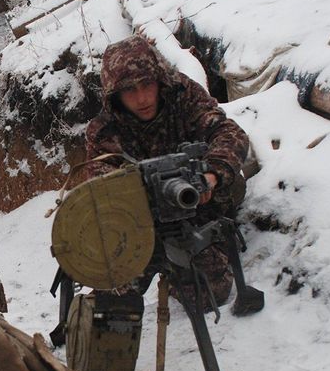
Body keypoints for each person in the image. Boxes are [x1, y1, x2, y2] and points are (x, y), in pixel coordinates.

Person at [84, 34, 253, 313]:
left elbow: (229, 133)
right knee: (110, 305)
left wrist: (211, 175)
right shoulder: (104, 132)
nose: (142, 98)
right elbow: (102, 191)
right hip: (140, 228)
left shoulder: (184, 95)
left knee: (207, 295)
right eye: (129, 91)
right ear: (114, 94)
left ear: (159, 80)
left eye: (147, 84)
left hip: (197, 214)